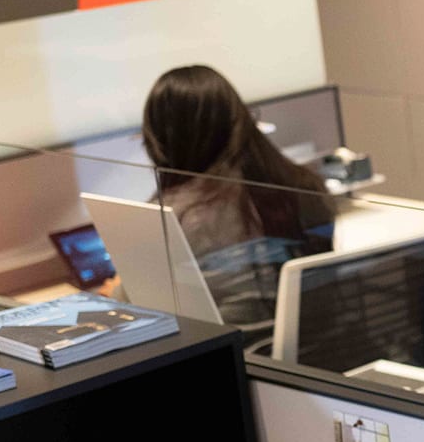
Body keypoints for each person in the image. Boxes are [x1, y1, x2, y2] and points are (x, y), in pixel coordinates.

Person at [142, 65, 336, 327]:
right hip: (311, 348)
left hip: (233, 355)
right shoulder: (302, 185)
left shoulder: (175, 215)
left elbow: (140, 302)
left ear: (161, 137)